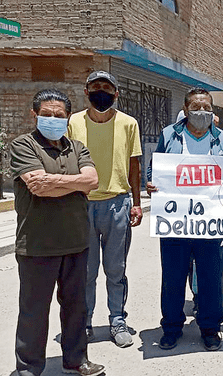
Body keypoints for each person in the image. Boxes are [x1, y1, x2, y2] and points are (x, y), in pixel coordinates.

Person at [10, 89, 104, 376]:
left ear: (67, 117)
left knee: (77, 307)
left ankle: (76, 360)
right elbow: (37, 185)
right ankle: (28, 369)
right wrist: (75, 183)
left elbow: (93, 180)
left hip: (76, 241)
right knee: (33, 312)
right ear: (34, 115)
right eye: (47, 115)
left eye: (59, 115)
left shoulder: (77, 148)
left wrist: (54, 181)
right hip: (37, 244)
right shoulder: (23, 145)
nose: (53, 119)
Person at [146, 87, 223, 351]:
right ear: (185, 109)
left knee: (210, 277)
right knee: (173, 277)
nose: (201, 112)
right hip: (175, 222)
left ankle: (210, 328)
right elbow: (154, 167)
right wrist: (151, 182)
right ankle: (171, 327)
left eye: (206, 107)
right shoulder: (169, 135)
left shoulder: (221, 139)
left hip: (209, 223)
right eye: (196, 107)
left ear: (212, 110)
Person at [67, 71, 143, 348]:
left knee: (116, 269)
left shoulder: (128, 123)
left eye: (106, 87)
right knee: (84, 272)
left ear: (116, 93)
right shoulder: (73, 122)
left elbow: (134, 164)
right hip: (81, 204)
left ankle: (117, 320)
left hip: (117, 204)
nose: (101, 92)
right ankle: (83, 323)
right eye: (95, 87)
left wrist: (136, 203)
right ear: (86, 92)